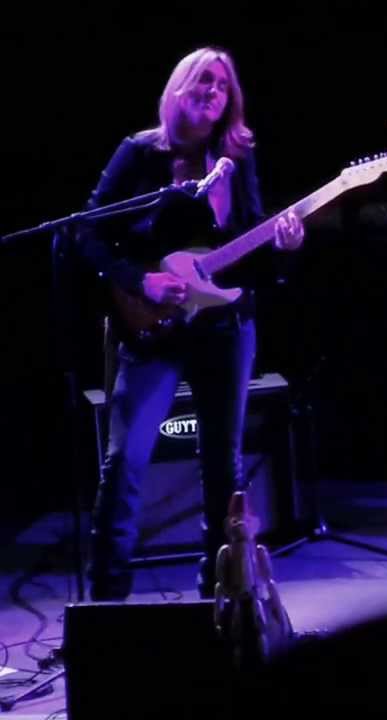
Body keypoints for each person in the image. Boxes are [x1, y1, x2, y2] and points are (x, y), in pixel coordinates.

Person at [77, 46, 305, 601]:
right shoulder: (139, 153)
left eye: (223, 86)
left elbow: (249, 252)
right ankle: (107, 601)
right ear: (179, 87)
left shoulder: (237, 158)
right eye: (204, 80)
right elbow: (86, 233)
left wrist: (282, 249)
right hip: (149, 328)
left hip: (224, 326)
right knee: (124, 461)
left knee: (223, 466)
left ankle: (222, 596)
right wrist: (141, 282)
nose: (213, 91)